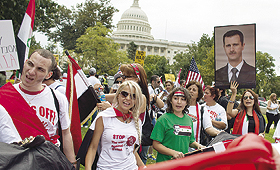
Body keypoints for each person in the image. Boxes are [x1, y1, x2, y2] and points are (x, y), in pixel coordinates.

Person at [0, 49, 76, 164]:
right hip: (12, 162)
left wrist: (72, 163)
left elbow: (65, 133)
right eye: (30, 64)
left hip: (47, 162)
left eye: (40, 69)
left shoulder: (57, 98)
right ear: (25, 62)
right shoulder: (3, 95)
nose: (31, 72)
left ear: (48, 75)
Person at [85, 81, 145, 170]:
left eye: (133, 96)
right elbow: (93, 148)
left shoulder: (136, 121)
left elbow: (131, 150)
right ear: (118, 95)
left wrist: (143, 167)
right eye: (124, 94)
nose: (128, 98)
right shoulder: (104, 117)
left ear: (136, 100)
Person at [150, 87, 204, 162]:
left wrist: (198, 145)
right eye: (175, 98)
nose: (179, 102)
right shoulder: (163, 119)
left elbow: (190, 141)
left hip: (181, 164)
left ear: (187, 102)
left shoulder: (189, 120)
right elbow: (156, 144)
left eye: (183, 99)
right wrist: (173, 153)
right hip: (165, 164)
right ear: (171, 101)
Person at [186, 81, 220, 145]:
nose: (191, 91)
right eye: (189, 89)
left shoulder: (202, 109)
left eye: (194, 90)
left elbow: (208, 128)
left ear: (198, 94)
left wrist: (221, 133)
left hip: (195, 149)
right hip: (179, 148)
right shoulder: (179, 107)